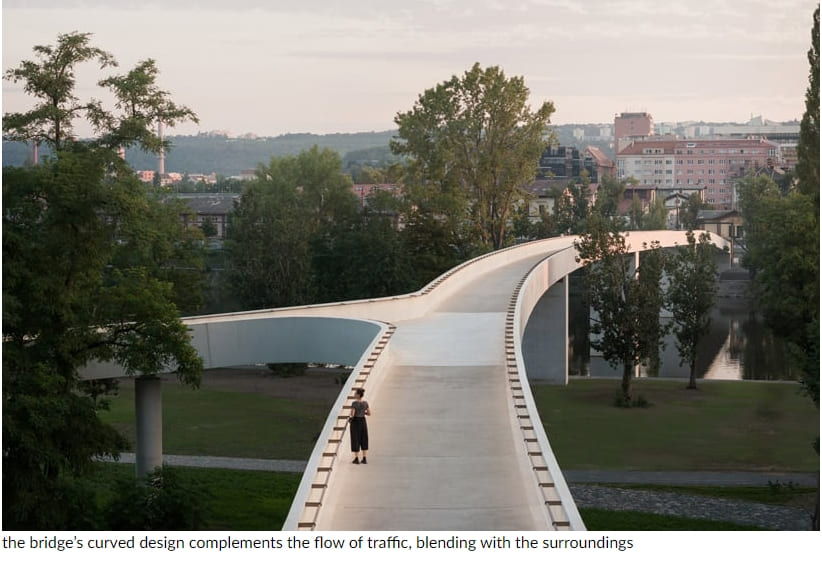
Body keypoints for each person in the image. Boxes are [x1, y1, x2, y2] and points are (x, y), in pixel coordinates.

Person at [349, 387, 371, 464]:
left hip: (356, 422)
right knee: (364, 438)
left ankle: (356, 458)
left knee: (356, 438)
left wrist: (350, 418)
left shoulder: (354, 403)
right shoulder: (365, 403)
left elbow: (352, 414)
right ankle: (364, 458)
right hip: (363, 421)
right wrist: (363, 412)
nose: (354, 394)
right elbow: (369, 413)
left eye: (355, 393)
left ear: (358, 395)